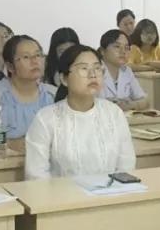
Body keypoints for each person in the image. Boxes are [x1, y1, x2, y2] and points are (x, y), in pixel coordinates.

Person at [25, 45, 135, 179]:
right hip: (61, 192)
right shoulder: (45, 119)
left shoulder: (114, 113)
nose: (93, 75)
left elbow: (126, 166)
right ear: (64, 79)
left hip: (111, 191)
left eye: (97, 68)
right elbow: (36, 175)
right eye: (84, 68)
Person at [0, 35, 55, 154]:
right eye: (26, 57)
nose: (35, 61)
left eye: (38, 55)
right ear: (10, 66)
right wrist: (10, 144)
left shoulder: (53, 94)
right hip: (7, 162)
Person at [98, 29, 149, 110]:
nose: (123, 51)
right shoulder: (95, 71)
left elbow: (144, 101)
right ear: (102, 51)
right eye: (117, 46)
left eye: (126, 48)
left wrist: (130, 105)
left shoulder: (127, 71)